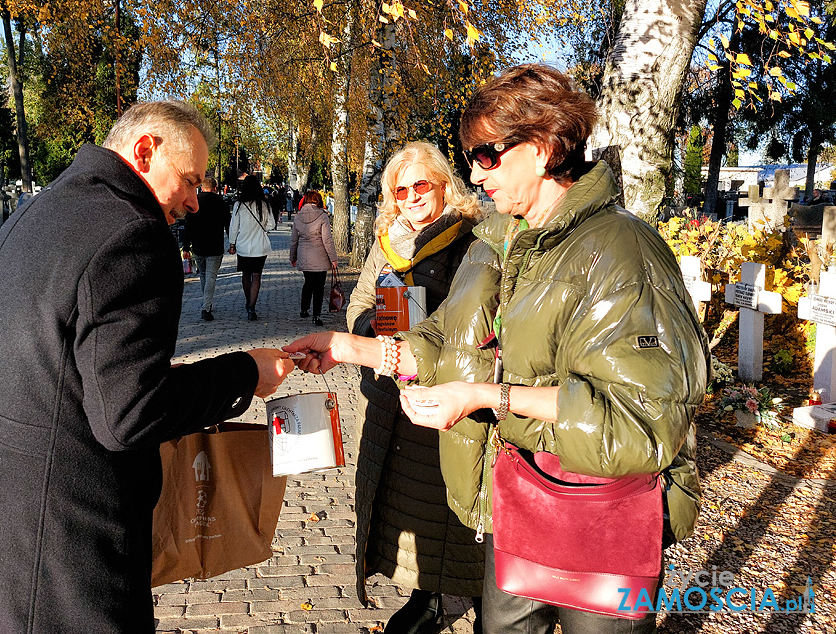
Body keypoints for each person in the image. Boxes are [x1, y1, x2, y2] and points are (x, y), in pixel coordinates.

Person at [284, 64, 708, 634]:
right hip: (513, 510)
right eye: (470, 157)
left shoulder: (622, 250)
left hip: (600, 521)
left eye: (487, 154)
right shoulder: (497, 242)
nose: (475, 173)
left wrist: (488, 395)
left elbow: (641, 418)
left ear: (542, 147)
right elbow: (443, 347)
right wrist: (344, 347)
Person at [0, 101, 295, 634]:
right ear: (145, 151)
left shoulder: (38, 210)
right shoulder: (133, 236)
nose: (195, 202)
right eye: (189, 180)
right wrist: (244, 373)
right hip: (61, 547)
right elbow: (130, 413)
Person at [345, 142, 485, 634]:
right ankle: (430, 594)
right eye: (400, 189)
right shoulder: (387, 239)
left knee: (451, 512)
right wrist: (374, 323)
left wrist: (419, 322)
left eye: (420, 184)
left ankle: (472, 601)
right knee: (412, 509)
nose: (410, 196)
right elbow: (358, 303)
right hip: (388, 393)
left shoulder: (471, 240)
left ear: (445, 183)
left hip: (447, 396)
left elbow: (473, 317)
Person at [182, 176, 231, 321]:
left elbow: (188, 226)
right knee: (211, 276)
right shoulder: (221, 203)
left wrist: (186, 246)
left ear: (202, 187)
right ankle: (206, 306)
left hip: (198, 245)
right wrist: (232, 243)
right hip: (215, 245)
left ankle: (206, 302)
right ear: (215, 188)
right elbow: (228, 224)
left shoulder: (194, 201)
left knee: (203, 275)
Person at [290, 190, 338, 327]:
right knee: (319, 287)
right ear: (318, 200)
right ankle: (316, 316)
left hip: (304, 255)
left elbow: (294, 240)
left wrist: (292, 257)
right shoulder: (322, 216)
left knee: (308, 283)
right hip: (320, 256)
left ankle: (304, 309)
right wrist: (333, 258)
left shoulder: (298, 217)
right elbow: (327, 240)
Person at [229, 174, 272, 321]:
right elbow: (271, 224)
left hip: (243, 245)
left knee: (246, 275)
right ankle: (252, 307)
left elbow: (234, 227)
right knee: (257, 276)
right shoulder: (264, 204)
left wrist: (232, 243)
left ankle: (248, 301)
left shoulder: (239, 205)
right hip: (260, 246)